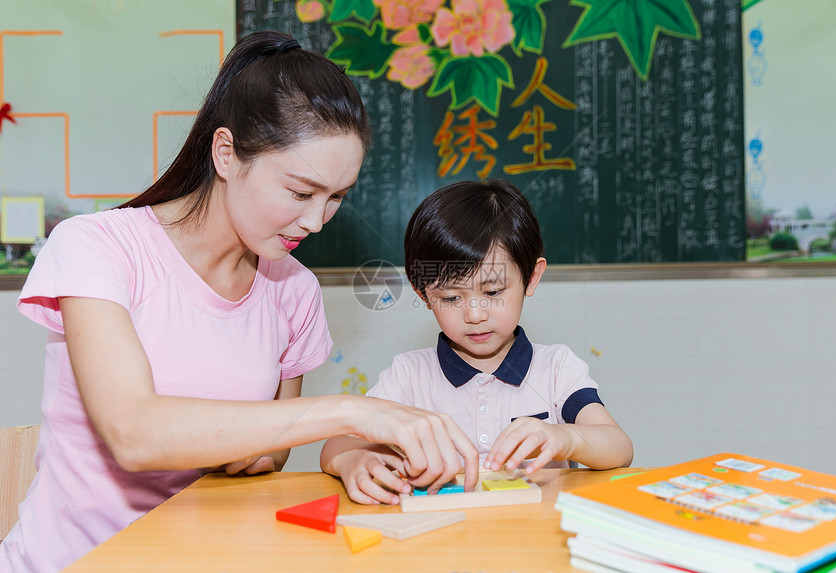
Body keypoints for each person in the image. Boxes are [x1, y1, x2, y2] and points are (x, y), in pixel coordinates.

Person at [0, 31, 477, 573]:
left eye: (337, 197)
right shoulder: (96, 247)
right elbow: (133, 435)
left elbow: (270, 455)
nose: (316, 221)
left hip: (210, 556)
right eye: (301, 192)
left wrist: (337, 458)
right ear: (226, 153)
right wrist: (353, 412)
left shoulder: (293, 290)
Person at [320, 179, 634, 505]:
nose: (474, 314)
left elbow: (619, 447)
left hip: (537, 540)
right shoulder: (409, 376)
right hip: (443, 541)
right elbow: (336, 444)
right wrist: (352, 459)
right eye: (452, 297)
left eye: (493, 292)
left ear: (531, 277)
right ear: (424, 294)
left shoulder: (556, 368)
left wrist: (566, 437)